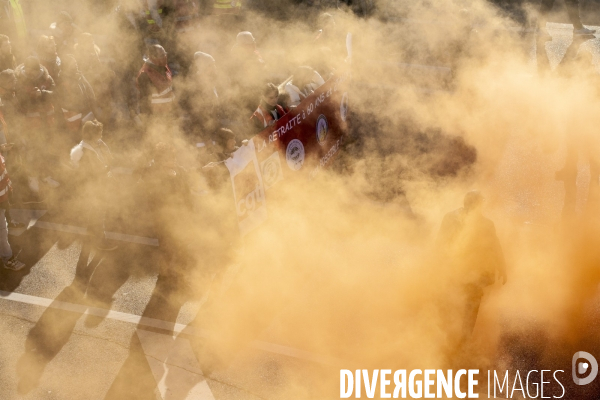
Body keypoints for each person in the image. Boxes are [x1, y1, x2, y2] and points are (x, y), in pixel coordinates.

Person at [437, 191, 507, 345]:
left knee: (471, 304)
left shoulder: (486, 224)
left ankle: (464, 338)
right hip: (456, 270)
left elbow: (495, 246)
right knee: (454, 303)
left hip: (476, 271)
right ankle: (451, 337)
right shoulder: (451, 219)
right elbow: (441, 243)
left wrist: (502, 267)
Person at [70, 120, 116, 251]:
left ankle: (92, 237)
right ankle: (100, 241)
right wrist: (107, 169)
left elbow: (110, 158)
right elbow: (100, 169)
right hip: (92, 187)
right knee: (98, 213)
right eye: (99, 133)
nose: (101, 135)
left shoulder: (96, 144)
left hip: (97, 185)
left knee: (96, 213)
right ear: (92, 134)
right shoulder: (85, 150)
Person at [55, 55, 97, 141]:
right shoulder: (62, 81)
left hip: (86, 114)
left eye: (76, 64)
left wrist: (93, 108)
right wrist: (81, 109)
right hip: (74, 119)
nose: (76, 66)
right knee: (77, 142)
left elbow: (90, 92)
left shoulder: (79, 77)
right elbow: (65, 103)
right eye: (73, 64)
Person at [0, 148, 25, 270]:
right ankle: (7, 258)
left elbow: (4, 176)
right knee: (2, 231)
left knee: (2, 229)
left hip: (2, 200)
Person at [136, 44, 176, 119]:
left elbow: (170, 91)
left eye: (165, 54)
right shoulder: (145, 75)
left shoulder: (164, 68)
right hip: (156, 119)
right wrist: (147, 122)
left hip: (168, 116)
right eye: (161, 55)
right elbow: (145, 102)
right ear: (153, 58)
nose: (165, 57)